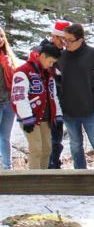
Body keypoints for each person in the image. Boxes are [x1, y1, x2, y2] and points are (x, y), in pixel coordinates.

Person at [56, 23, 94, 169]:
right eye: (65, 39)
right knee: (75, 145)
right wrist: (62, 101)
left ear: (80, 40)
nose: (66, 43)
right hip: (69, 111)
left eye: (70, 40)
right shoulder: (61, 57)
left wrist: (91, 97)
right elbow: (57, 82)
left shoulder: (92, 54)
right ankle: (80, 175)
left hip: (89, 110)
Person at [11, 44, 63, 169]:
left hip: (46, 118)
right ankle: (33, 181)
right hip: (31, 118)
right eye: (50, 61)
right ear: (43, 56)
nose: (51, 65)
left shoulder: (48, 74)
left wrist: (58, 115)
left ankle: (43, 178)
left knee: (47, 149)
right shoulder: (22, 71)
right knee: (36, 149)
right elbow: (19, 96)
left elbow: (53, 95)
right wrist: (26, 118)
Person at [29, 20, 69, 169]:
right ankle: (47, 166)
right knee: (48, 138)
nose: (64, 43)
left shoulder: (64, 53)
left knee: (57, 136)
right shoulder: (42, 50)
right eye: (62, 39)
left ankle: (54, 163)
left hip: (58, 101)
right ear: (55, 36)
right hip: (45, 101)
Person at [0, 27, 19, 170]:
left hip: (8, 103)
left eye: (1, 36)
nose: (0, 39)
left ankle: (8, 168)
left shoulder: (7, 57)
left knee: (5, 137)